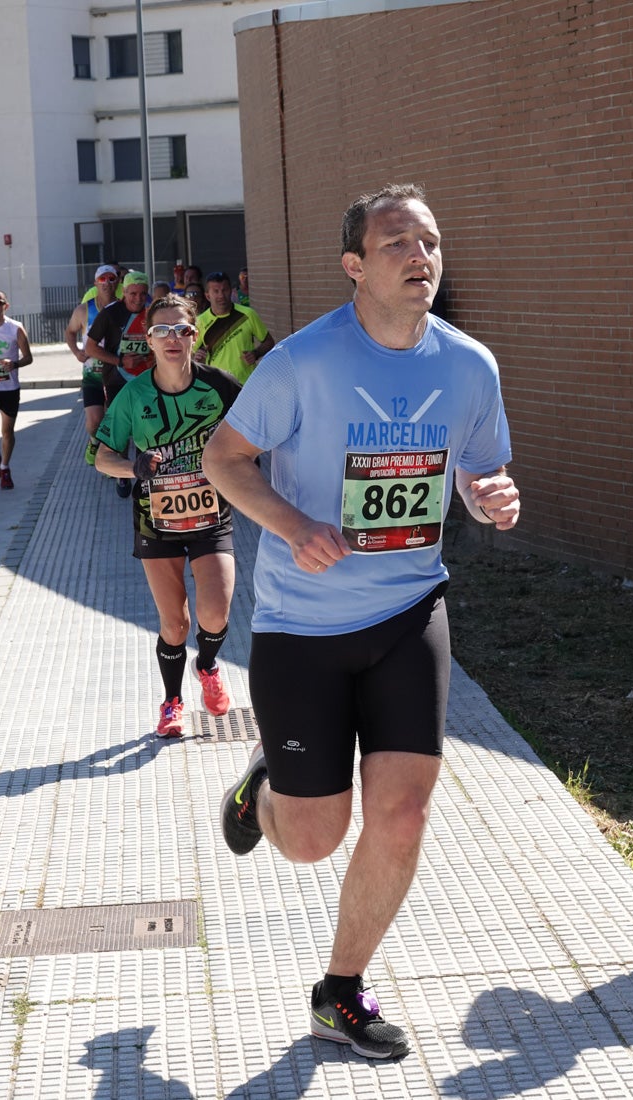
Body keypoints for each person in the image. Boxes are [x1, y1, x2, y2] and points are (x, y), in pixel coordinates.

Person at [202, 183, 520, 1059]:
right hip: (303, 628)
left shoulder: (468, 366)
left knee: (403, 816)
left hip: (410, 609)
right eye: (395, 244)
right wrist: (295, 526)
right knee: (310, 840)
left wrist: (491, 498)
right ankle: (264, 786)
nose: (419, 257)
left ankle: (339, 991)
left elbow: (479, 470)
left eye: (429, 241)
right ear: (353, 265)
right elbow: (223, 457)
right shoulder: (302, 361)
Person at [95, 293, 242, 737]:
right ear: (149, 340)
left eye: (181, 329)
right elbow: (100, 456)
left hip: (211, 516)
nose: (172, 338)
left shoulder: (221, 386)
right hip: (156, 521)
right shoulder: (132, 396)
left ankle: (209, 665)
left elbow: (258, 436)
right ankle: (172, 701)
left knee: (214, 614)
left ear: (194, 335)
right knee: (174, 622)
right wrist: (132, 466)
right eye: (162, 331)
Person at [84, 272, 153, 497]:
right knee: (120, 428)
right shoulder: (111, 313)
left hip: (148, 380)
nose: (138, 298)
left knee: (148, 425)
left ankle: (149, 472)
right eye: (133, 293)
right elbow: (90, 349)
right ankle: (121, 473)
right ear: (124, 292)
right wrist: (121, 360)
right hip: (117, 379)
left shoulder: (152, 313)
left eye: (143, 293)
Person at [65, 264, 119, 465]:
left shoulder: (122, 308)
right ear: (96, 283)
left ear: (117, 282)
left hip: (115, 374)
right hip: (92, 375)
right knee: (94, 421)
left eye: (111, 279)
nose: (107, 283)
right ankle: (94, 442)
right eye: (102, 279)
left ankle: (111, 462)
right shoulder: (84, 310)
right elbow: (70, 331)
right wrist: (77, 352)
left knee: (113, 422)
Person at [192, 271, 274, 386]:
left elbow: (269, 342)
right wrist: (197, 358)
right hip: (217, 385)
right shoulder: (200, 321)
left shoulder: (248, 314)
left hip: (246, 383)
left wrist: (255, 353)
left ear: (231, 290)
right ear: (207, 295)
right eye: (216, 291)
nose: (221, 295)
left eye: (224, 290)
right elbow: (190, 352)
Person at [0, 291, 33, 490]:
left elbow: (29, 357)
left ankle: (5, 467)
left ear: (6, 306)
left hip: (9, 387)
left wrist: (15, 363)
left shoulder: (15, 328)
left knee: (7, 431)